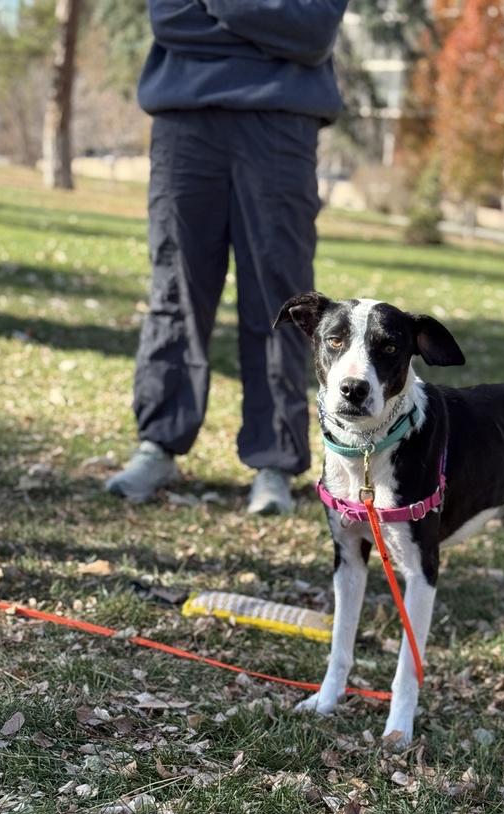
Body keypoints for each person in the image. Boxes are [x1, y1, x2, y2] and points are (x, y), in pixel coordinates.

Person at [105, 0, 348, 513]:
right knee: (176, 290)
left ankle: (274, 462)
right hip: (186, 122)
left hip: (281, 127)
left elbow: (312, 31)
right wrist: (266, 25)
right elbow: (170, 20)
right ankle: (159, 444)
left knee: (280, 299)